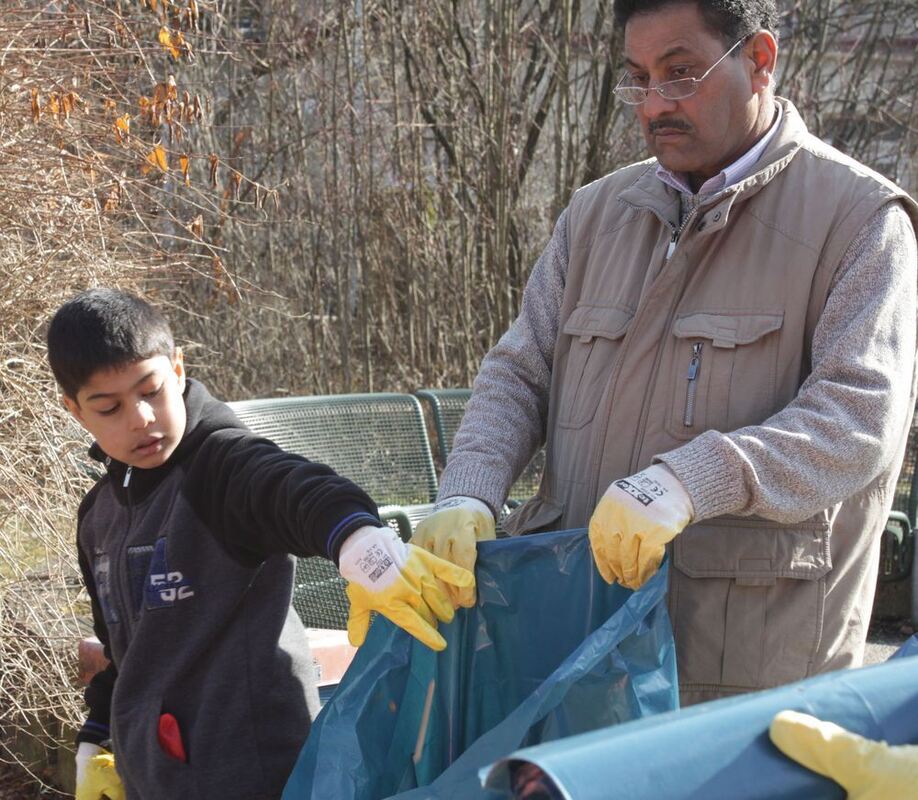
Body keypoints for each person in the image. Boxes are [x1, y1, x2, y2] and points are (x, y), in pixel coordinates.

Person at [411, 0, 918, 706]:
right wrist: (469, 489)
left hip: (741, 684)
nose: (654, 105)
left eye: (680, 74)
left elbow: (855, 424)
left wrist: (689, 481)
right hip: (567, 659)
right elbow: (518, 374)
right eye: (637, 78)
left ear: (760, 60)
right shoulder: (593, 216)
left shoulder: (860, 220)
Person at [47, 288, 473, 800]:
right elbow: (121, 649)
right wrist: (98, 740)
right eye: (109, 407)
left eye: (151, 390)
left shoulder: (220, 466)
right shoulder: (98, 517)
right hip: (156, 781)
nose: (139, 418)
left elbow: (293, 488)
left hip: (258, 774)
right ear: (75, 410)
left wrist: (360, 543)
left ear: (178, 370)